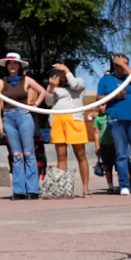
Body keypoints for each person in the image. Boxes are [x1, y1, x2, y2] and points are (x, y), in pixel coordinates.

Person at [96, 53, 131, 195]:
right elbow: (99, 98)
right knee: (121, 154)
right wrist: (115, 96)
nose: (126, 65)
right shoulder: (106, 80)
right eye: (122, 63)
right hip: (116, 119)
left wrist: (124, 66)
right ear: (114, 64)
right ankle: (124, 185)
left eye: (127, 63)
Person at [0, 53, 44, 200]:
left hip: (23, 116)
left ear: (20, 66)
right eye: (9, 63)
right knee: (16, 155)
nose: (12, 66)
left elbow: (42, 91)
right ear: (7, 66)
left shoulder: (26, 80)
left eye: (15, 63)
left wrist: (34, 105)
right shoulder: (1, 82)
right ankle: (19, 191)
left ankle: (33, 190)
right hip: (8, 117)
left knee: (29, 153)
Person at [45, 60, 90, 198]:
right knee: (61, 156)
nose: (59, 74)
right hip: (58, 120)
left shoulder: (79, 81)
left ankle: (85, 189)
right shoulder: (54, 85)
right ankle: (62, 189)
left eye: (62, 71)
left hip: (74, 119)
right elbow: (48, 102)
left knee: (81, 155)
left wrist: (66, 70)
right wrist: (52, 88)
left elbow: (75, 86)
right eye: (58, 72)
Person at [89, 105, 115, 191]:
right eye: (99, 106)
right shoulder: (98, 118)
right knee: (107, 166)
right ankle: (110, 186)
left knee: (119, 165)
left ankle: (123, 185)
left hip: (115, 144)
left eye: (103, 105)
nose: (101, 108)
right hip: (104, 145)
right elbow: (96, 133)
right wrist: (97, 146)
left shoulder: (111, 116)